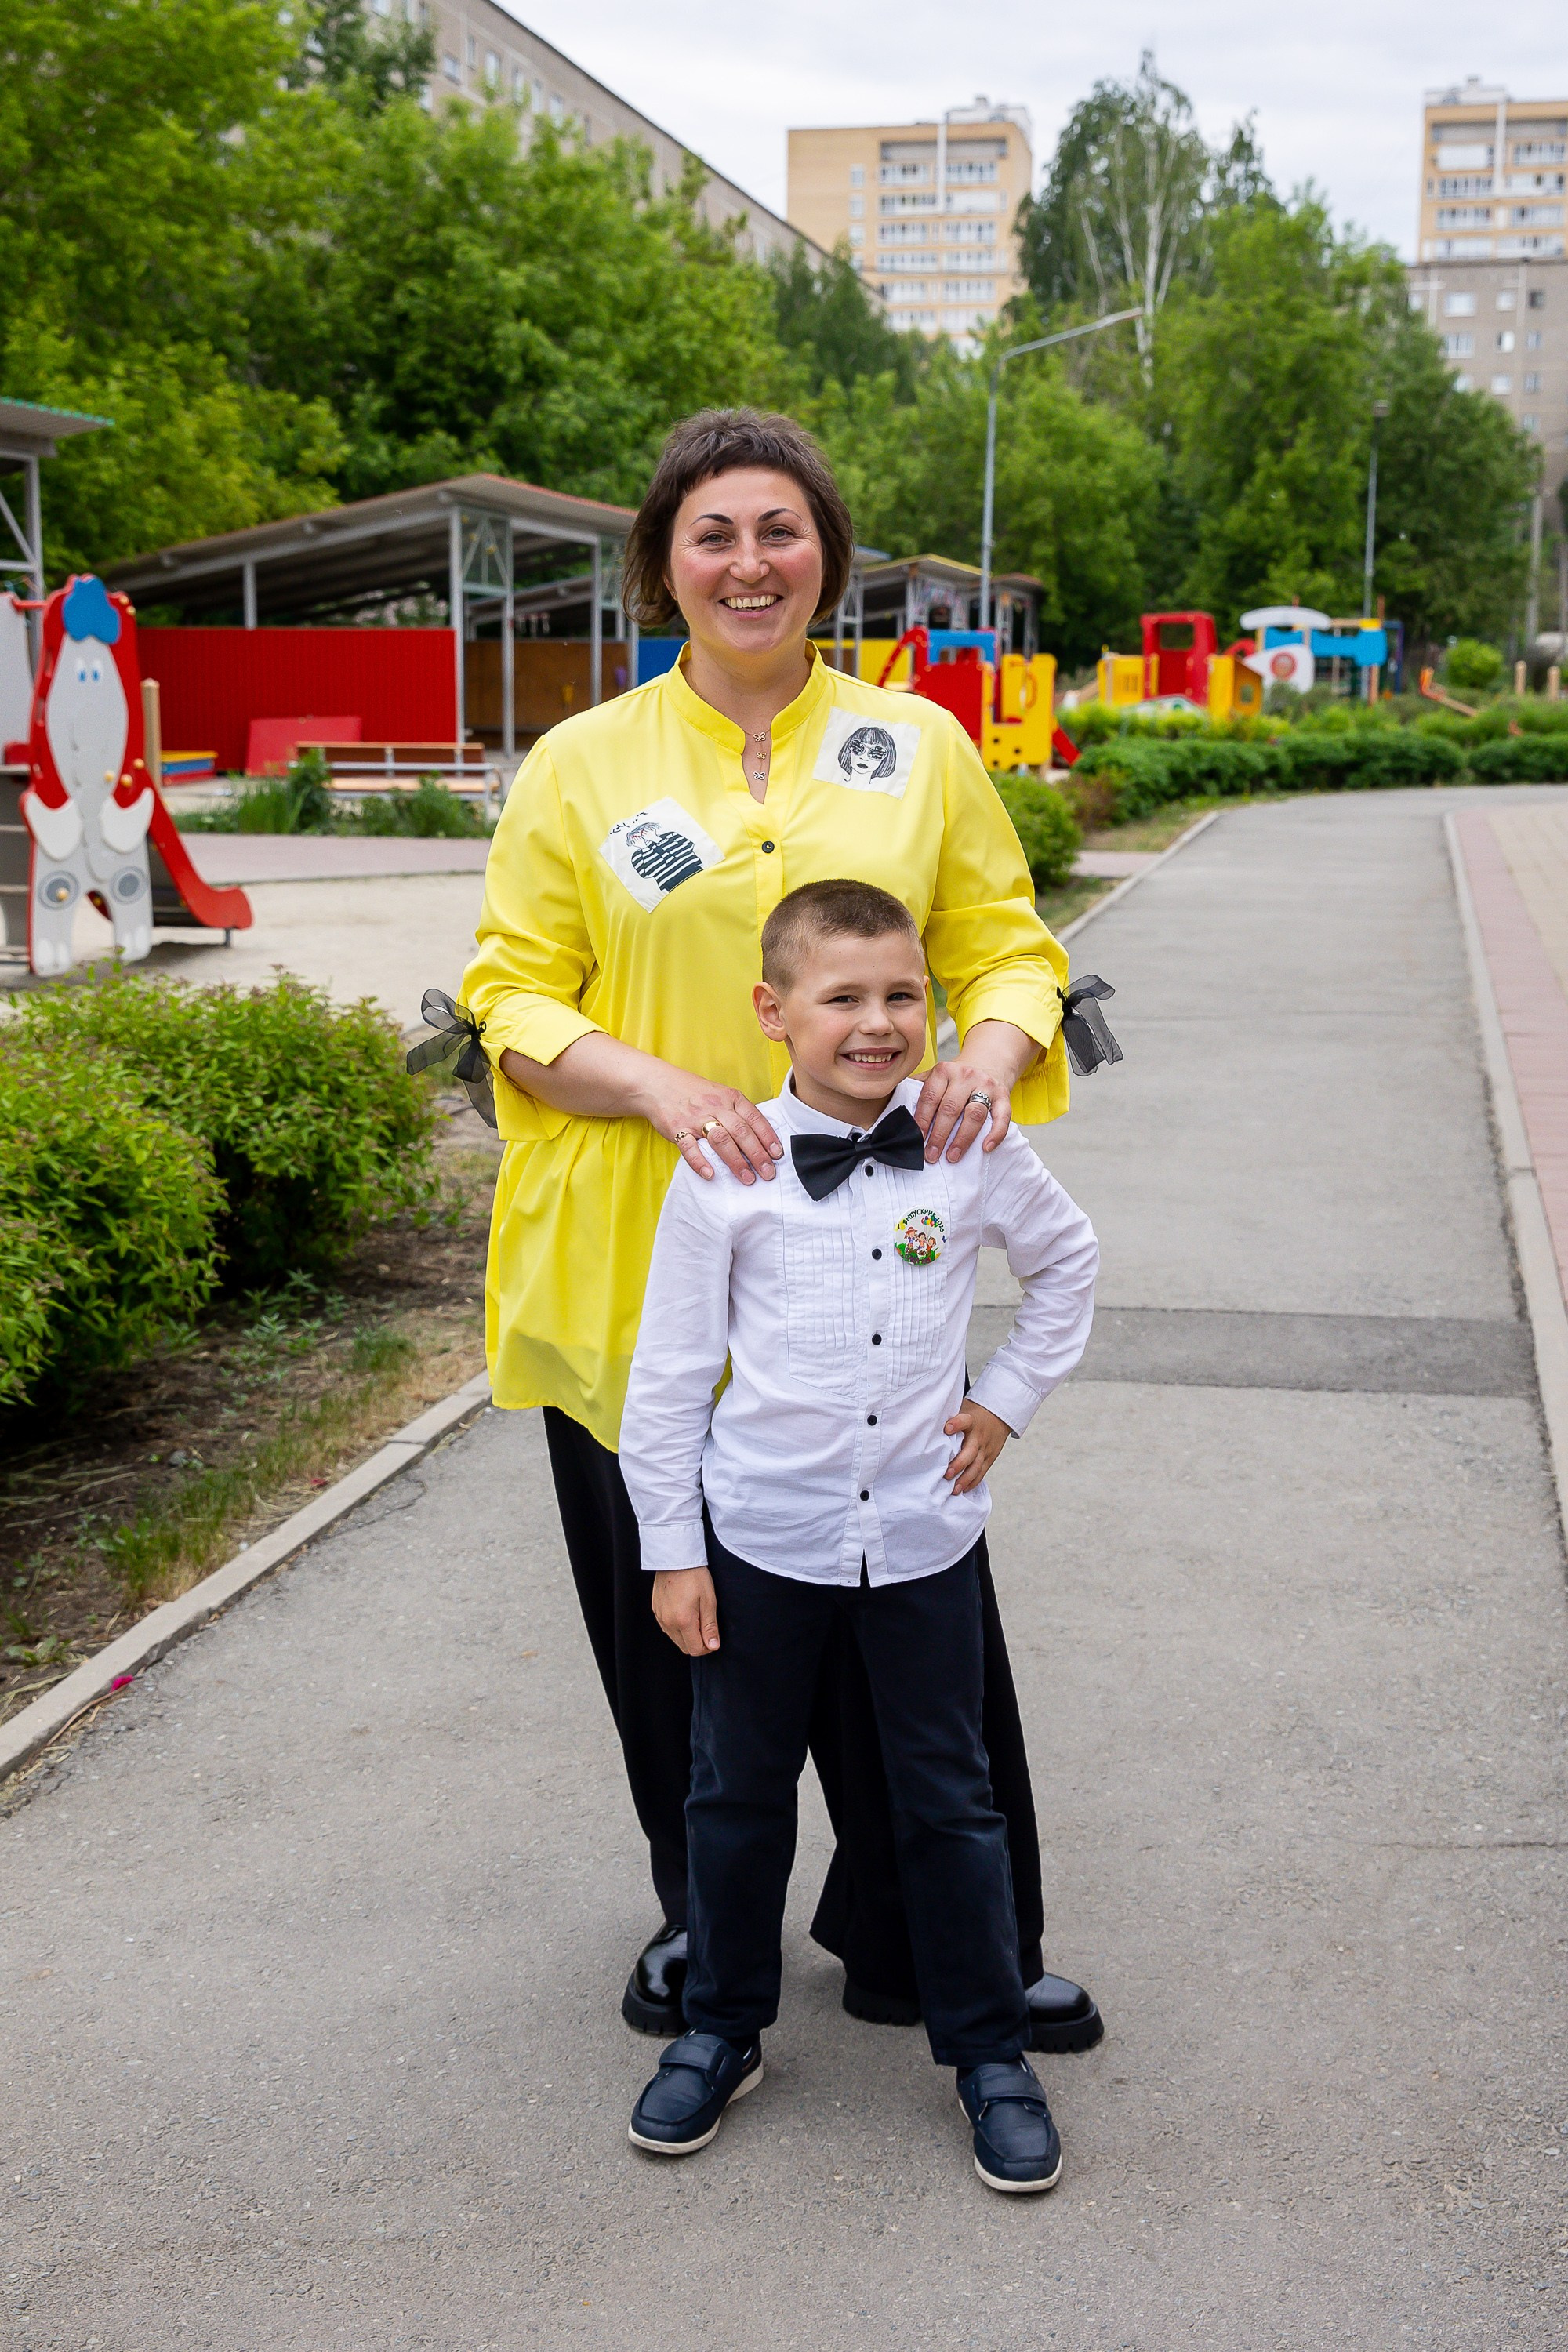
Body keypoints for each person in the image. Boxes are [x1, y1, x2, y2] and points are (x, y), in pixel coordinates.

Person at [459, 405, 1103, 2054]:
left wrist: (989, 1051)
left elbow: (1010, 947)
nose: (749, 562)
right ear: (663, 566)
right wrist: (659, 1087)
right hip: (637, 1262)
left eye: (779, 530)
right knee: (676, 1620)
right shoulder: (581, 765)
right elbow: (511, 994)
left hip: (873, 1267)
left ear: (825, 554)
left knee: (911, 1603)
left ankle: (937, 1938)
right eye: (713, 534)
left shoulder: (918, 744)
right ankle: (709, 1930)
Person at [619, 879, 1098, 2190]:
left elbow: (1070, 1267)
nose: (878, 1023)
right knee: (735, 1796)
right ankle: (723, 2028)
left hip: (926, 1546)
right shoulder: (727, 1170)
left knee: (949, 1800)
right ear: (775, 1012)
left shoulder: (972, 1143)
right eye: (845, 997)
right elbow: (668, 1375)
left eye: (903, 995)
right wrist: (673, 1548)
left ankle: (988, 2052)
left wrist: (1002, 1402)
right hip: (764, 1543)